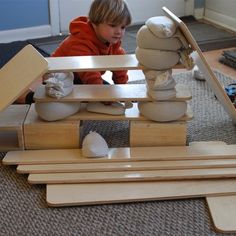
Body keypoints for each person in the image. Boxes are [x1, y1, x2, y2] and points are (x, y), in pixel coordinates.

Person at [50, 0, 132, 85]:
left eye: (123, 27)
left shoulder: (113, 45)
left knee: (110, 90)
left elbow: (120, 71)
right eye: (112, 25)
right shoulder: (80, 42)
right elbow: (90, 75)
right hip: (56, 79)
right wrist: (101, 95)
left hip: (80, 78)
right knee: (101, 91)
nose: (119, 32)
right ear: (95, 23)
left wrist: (124, 91)